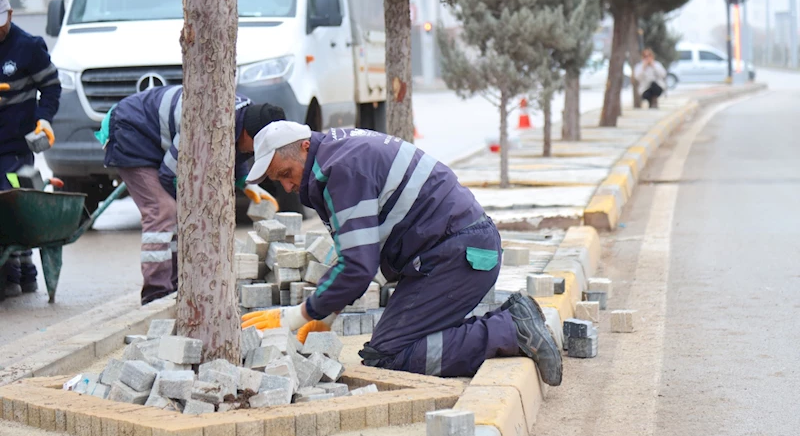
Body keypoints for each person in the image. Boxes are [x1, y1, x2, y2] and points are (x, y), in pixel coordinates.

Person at [241, 122, 562, 383]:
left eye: (286, 173)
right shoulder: (337, 155)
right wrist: (325, 315)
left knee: (390, 354)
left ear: (304, 147)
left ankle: (512, 328)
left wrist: (296, 315)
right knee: (391, 346)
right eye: (278, 181)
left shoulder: (342, 172)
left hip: (460, 254)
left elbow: (358, 268)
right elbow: (356, 251)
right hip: (447, 251)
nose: (287, 187)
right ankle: (508, 323)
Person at [99, 85, 284, 304]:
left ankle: (176, 287)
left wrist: (244, 181)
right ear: (246, 132)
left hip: (155, 135)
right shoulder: (205, 124)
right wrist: (193, 207)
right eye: (255, 148)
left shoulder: (249, 116)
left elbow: (234, 149)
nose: (253, 153)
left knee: (179, 214)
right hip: (129, 130)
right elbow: (170, 174)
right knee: (164, 210)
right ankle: (155, 293)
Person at [0, 0, 61, 298]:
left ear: (10, 14)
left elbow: (51, 87)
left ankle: (13, 275)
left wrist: (43, 119)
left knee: (10, 203)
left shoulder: (28, 47)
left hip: (16, 147)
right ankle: (24, 273)